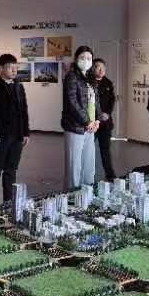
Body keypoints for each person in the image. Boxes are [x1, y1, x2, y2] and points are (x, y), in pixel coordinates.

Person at [0, 54, 30, 203]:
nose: (14, 70)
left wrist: (26, 132)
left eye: (15, 67)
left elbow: (24, 110)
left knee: (11, 170)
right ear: (0, 68)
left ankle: (8, 203)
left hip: (17, 135)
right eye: (10, 67)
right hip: (0, 135)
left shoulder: (18, 86)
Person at [61, 46, 99, 190]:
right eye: (82, 58)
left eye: (89, 58)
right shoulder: (71, 77)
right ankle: (71, 195)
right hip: (75, 126)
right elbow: (73, 102)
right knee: (74, 164)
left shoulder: (90, 78)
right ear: (76, 59)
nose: (86, 61)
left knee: (88, 163)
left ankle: (86, 192)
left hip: (90, 127)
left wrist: (97, 120)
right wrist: (87, 121)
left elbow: (95, 101)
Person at [92, 58, 117, 180]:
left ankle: (110, 176)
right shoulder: (89, 83)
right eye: (98, 67)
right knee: (88, 150)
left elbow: (112, 100)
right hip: (92, 123)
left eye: (103, 68)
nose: (101, 70)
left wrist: (107, 113)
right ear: (93, 68)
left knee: (105, 150)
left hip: (105, 123)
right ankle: (87, 176)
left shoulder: (108, 83)